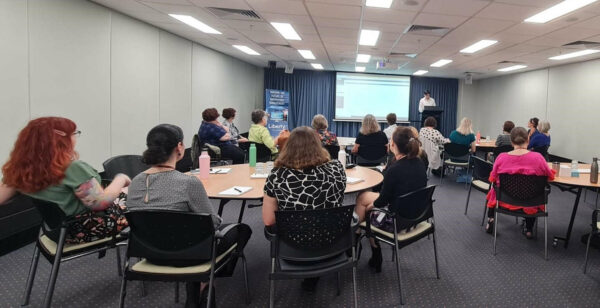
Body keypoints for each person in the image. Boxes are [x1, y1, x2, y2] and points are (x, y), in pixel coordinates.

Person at [127, 124, 252, 307]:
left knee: (187, 235)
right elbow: (213, 223)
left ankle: (199, 285)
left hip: (150, 253)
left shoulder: (135, 182)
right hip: (190, 255)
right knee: (242, 230)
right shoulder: (188, 183)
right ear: (179, 147)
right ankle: (205, 281)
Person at [0, 117, 130, 244]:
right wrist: (121, 179)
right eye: (74, 133)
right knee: (142, 198)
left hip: (55, 231)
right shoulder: (72, 169)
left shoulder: (21, 171)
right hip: (89, 228)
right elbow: (100, 204)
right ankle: (145, 253)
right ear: (61, 139)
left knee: (130, 193)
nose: (76, 137)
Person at [262, 126, 346, 292]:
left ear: (289, 147)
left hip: (293, 244)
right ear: (318, 145)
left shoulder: (278, 175)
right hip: (331, 240)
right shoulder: (337, 168)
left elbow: (268, 220)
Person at [355, 127, 427, 272]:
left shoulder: (395, 169)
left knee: (364, 203)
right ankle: (370, 250)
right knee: (365, 198)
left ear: (393, 144)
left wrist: (370, 208)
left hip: (396, 221)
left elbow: (381, 202)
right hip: (415, 216)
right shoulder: (419, 163)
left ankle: (357, 242)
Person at [484, 127, 554, 239]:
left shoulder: (501, 158)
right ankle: (529, 229)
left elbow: (492, 177)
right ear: (528, 140)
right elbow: (549, 177)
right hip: (532, 200)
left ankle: (491, 220)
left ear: (512, 142)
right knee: (534, 190)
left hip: (506, 200)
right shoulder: (538, 158)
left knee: (494, 189)